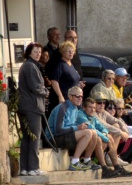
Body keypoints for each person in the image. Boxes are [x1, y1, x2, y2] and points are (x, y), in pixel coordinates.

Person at [77, 97, 132, 178]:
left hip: (91, 138)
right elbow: (93, 128)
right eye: (90, 107)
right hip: (81, 140)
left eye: (93, 107)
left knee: (108, 135)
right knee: (99, 138)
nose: (93, 110)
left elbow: (102, 127)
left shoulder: (92, 115)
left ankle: (117, 166)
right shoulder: (81, 115)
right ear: (84, 107)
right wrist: (107, 139)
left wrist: (106, 135)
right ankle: (104, 168)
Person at [17, 43, 50, 177]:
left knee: (27, 138)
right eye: (35, 51)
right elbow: (35, 86)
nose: (38, 54)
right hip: (32, 106)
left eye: (39, 52)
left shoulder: (26, 65)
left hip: (24, 105)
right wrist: (45, 92)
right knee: (34, 138)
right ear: (29, 52)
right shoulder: (31, 66)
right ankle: (33, 167)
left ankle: (25, 168)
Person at [45, 86, 98, 171]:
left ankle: (87, 160)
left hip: (66, 135)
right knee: (88, 133)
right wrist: (77, 127)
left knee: (93, 133)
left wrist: (81, 126)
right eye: (77, 96)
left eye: (81, 96)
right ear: (70, 96)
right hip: (54, 138)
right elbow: (58, 130)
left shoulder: (76, 108)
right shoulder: (62, 108)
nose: (80, 98)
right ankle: (74, 162)